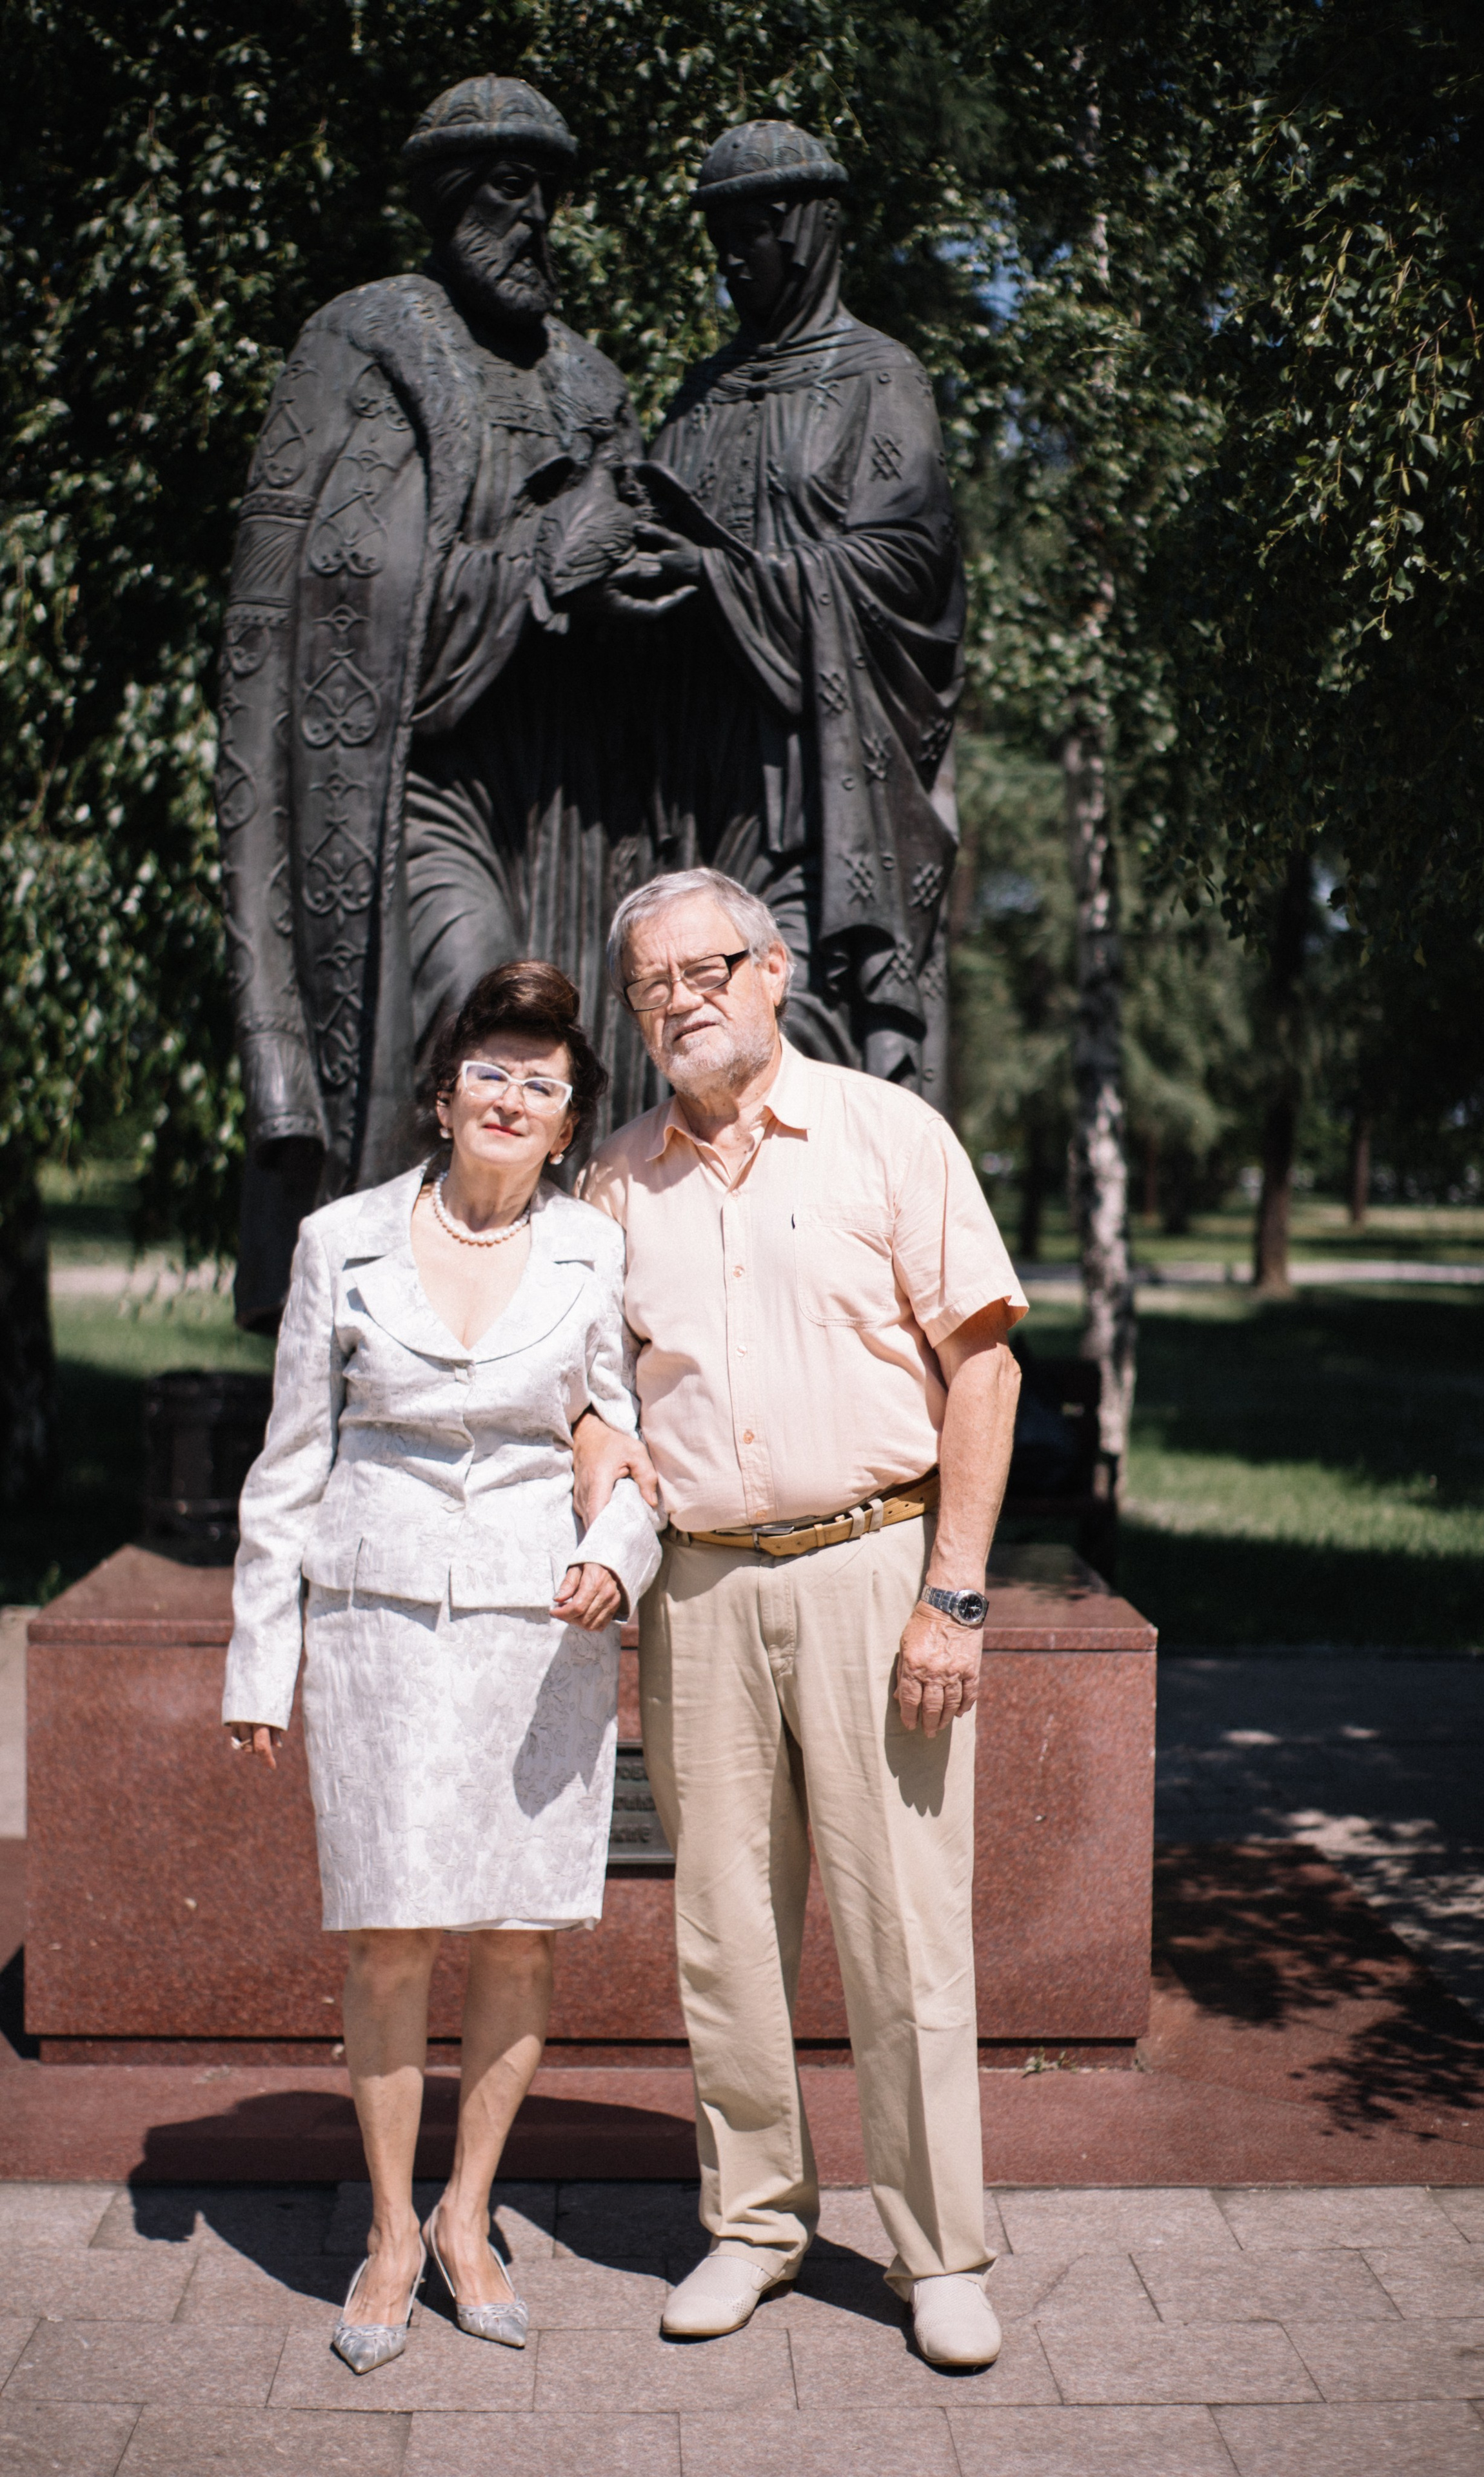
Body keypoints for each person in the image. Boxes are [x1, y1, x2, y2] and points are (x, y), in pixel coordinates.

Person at [578, 866, 1024, 2369]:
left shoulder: (886, 1136)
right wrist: (606, 1480)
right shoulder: (614, 1185)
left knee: (902, 1933)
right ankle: (755, 2223)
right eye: (650, 985)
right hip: (696, 1588)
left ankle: (936, 2254)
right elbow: (590, 1397)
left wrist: (953, 1595)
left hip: (874, 1571)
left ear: (772, 971)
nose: (680, 998)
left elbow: (983, 1367)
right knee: (721, 1933)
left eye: (705, 967)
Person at [223, 961, 660, 2375]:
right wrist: (255, 1663)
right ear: (443, 1090)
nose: (512, 1095)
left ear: (565, 1119)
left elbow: (612, 1426)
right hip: (375, 1624)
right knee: (390, 1931)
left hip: (541, 1627)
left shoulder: (593, 1248)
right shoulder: (338, 1240)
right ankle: (394, 2231)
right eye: (492, 1069)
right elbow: (287, 1464)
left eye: (542, 1080)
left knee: (522, 1928)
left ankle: (471, 2215)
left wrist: (618, 1551)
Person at [221, 75, 663, 1334]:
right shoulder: (362, 349)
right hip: (410, 785)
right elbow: (328, 604)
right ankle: (418, 1336)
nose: (536, 225)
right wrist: (536, 566)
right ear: (452, 201)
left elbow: (625, 558)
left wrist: (631, 578)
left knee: (577, 1060)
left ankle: (538, 1354)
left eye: (548, 197)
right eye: (510, 194)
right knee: (490, 1013)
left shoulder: (585, 379)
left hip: (566, 798)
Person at [608, 121, 965, 1096]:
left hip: (818, 783)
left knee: (788, 1019)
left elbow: (906, 565)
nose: (729, 258)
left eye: (748, 233)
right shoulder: (699, 400)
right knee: (687, 1032)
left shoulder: (878, 380)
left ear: (803, 232)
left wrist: (723, 577)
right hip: (701, 779)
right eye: (717, 235)